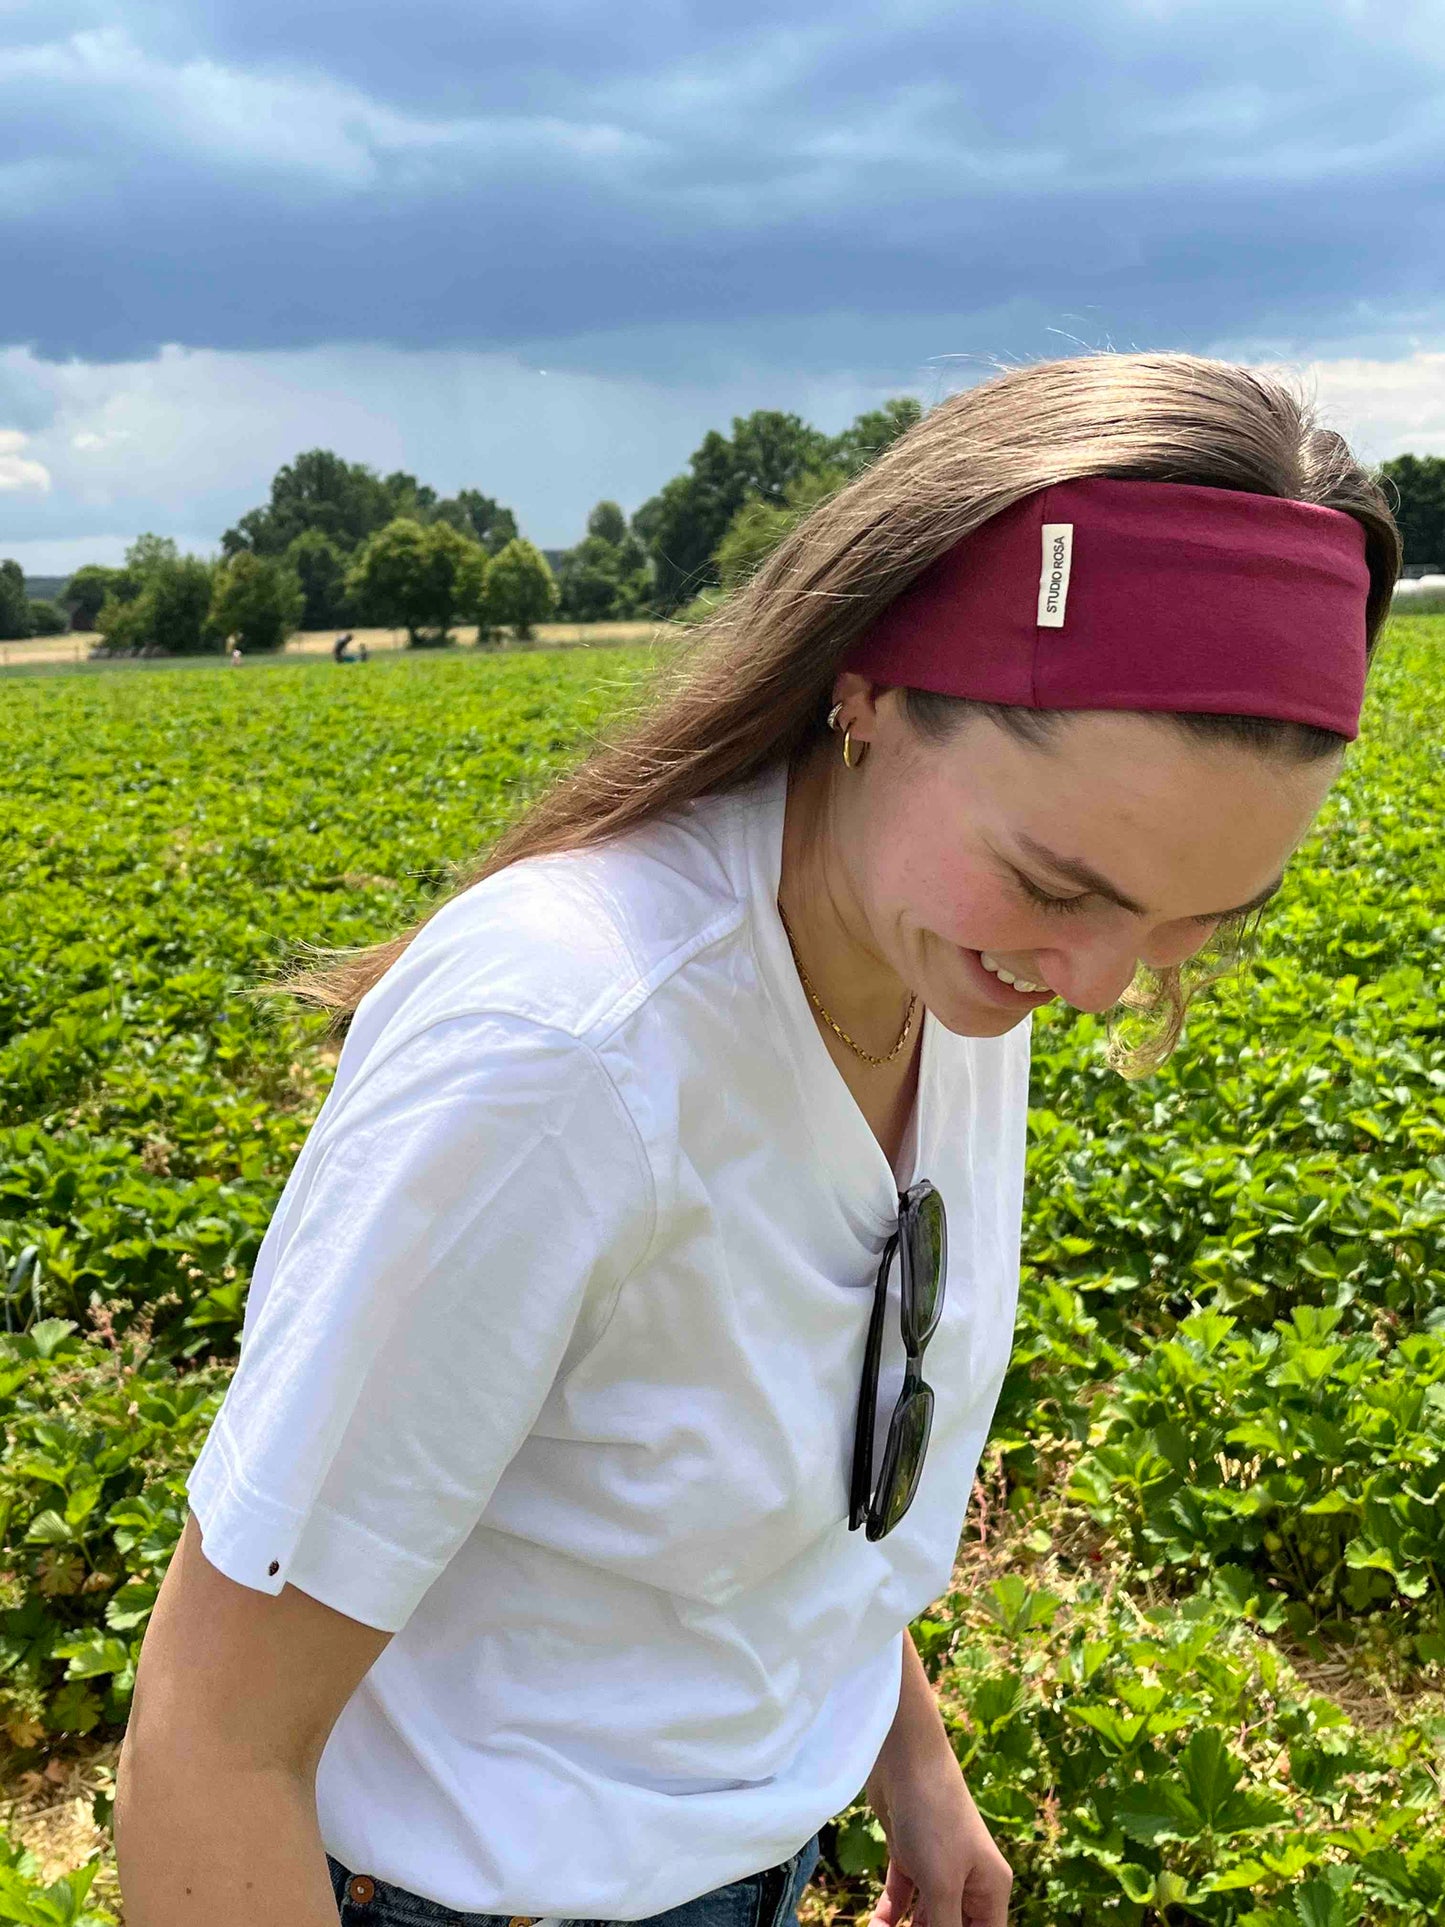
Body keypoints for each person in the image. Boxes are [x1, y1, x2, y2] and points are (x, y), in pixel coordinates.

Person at [114, 352, 1398, 1927]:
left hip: (747, 1855)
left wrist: (904, 1761)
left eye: (1200, 919)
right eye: (1060, 887)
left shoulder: (941, 963)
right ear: (862, 692)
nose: (1098, 985)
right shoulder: (569, 1053)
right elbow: (212, 1744)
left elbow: (817, 1436)